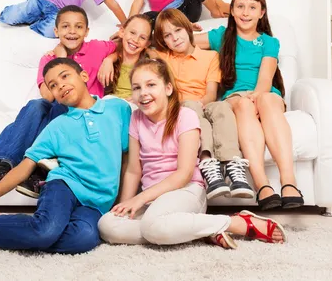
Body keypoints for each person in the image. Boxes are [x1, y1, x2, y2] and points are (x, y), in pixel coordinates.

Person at [0, 58, 131, 254]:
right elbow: (24, 167)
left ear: (84, 76)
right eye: (53, 85)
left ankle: (6, 229)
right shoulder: (57, 127)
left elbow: (126, 157)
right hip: (64, 187)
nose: (61, 85)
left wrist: (123, 202)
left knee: (83, 239)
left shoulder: (117, 108)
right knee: (46, 231)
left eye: (65, 76)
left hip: (96, 203)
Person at [98, 58, 286, 249]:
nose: (143, 93)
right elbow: (133, 171)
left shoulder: (185, 116)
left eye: (151, 85)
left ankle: (237, 223)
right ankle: (200, 230)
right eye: (136, 88)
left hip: (186, 190)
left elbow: (184, 173)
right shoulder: (136, 118)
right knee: (107, 225)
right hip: (151, 197)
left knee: (153, 227)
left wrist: (140, 199)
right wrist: (126, 205)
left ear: (168, 88)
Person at [0, 6, 116, 199]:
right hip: (58, 109)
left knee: (54, 114)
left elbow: (121, 45)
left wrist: (110, 59)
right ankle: (4, 165)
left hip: (83, 113)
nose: (72, 31)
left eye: (78, 27)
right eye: (66, 26)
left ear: (86, 31)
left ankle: (38, 173)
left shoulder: (97, 48)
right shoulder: (48, 58)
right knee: (35, 106)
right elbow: (47, 96)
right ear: (56, 31)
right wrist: (60, 60)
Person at [195, 0, 304, 210]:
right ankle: (262, 185)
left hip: (263, 93)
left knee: (266, 100)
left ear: (262, 13)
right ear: (232, 11)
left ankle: (289, 182)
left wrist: (257, 97)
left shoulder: (269, 42)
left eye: (252, 7)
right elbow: (183, 42)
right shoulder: (222, 36)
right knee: (243, 105)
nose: (246, 12)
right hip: (234, 97)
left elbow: (265, 79)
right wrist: (182, 26)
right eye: (240, 6)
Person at [152, 9, 254, 200]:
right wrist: (111, 57)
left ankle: (233, 164)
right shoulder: (164, 58)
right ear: (162, 40)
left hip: (206, 102)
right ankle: (209, 165)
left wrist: (202, 104)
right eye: (167, 35)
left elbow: (211, 94)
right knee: (190, 107)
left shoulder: (210, 57)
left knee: (223, 106)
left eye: (178, 30)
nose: (174, 38)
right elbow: (139, 40)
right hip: (183, 107)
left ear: (188, 29)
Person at [97, 14, 153, 101]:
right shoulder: (108, 61)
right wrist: (108, 60)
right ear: (122, 32)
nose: (135, 40)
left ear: (147, 44)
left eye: (142, 37)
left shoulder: (149, 67)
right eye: (132, 33)